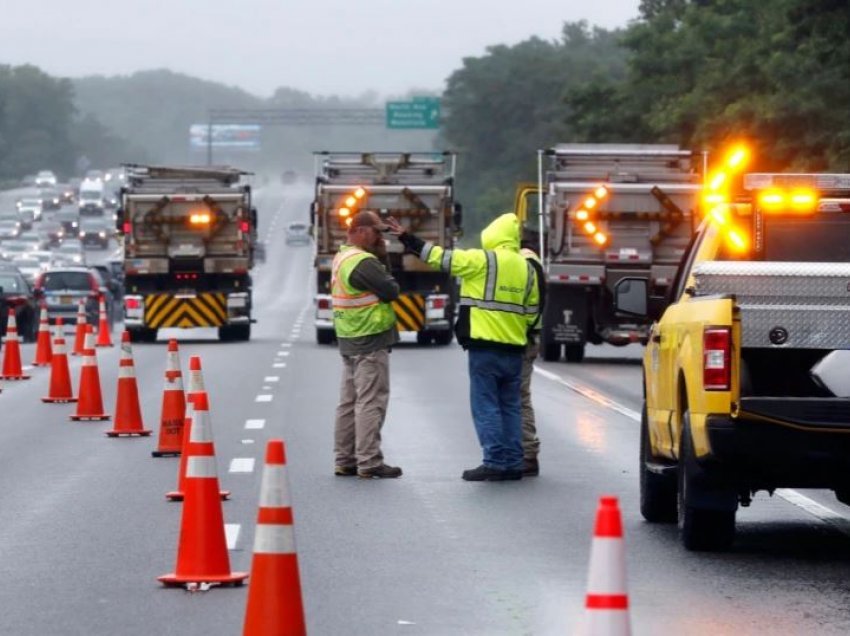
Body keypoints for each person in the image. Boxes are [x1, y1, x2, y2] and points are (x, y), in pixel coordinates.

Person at [386, 213, 539, 481]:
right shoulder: (526, 267)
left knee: (486, 405)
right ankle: (514, 462)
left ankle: (494, 461)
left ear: (492, 235)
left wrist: (406, 237)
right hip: (515, 347)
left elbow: (439, 257)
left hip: (485, 347)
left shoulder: (482, 260)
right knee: (511, 406)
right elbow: (532, 310)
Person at [332, 211, 403, 479]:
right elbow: (391, 290)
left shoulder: (343, 256)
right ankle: (369, 461)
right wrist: (383, 256)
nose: (379, 238)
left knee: (348, 402)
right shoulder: (364, 262)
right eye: (376, 232)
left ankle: (345, 459)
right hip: (369, 336)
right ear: (361, 231)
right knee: (370, 400)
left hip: (349, 335)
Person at [519, 241, 546, 476]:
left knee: (519, 397)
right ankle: (525, 452)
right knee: (519, 396)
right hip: (529, 337)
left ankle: (527, 453)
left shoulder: (525, 262)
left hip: (524, 340)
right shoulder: (534, 261)